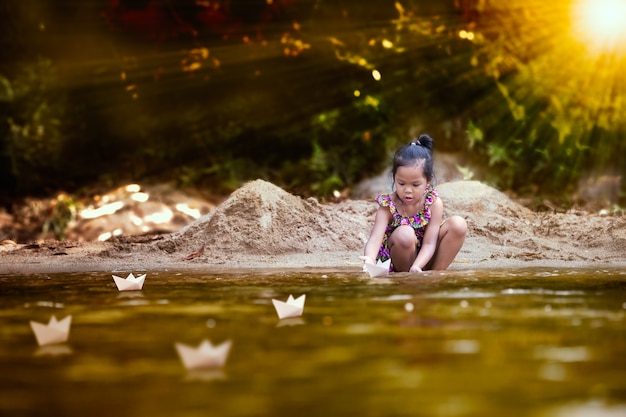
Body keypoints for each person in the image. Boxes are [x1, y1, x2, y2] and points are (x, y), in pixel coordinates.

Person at [361, 134, 467, 273]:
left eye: (416, 184)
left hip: (424, 259)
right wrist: (369, 258)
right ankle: (407, 280)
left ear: (428, 181)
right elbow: (375, 239)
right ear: (394, 178)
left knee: (458, 224)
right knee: (405, 233)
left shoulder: (433, 204)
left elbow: (430, 243)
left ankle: (434, 277)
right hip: (398, 261)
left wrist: (417, 266)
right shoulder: (388, 206)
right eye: (401, 183)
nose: (408, 191)